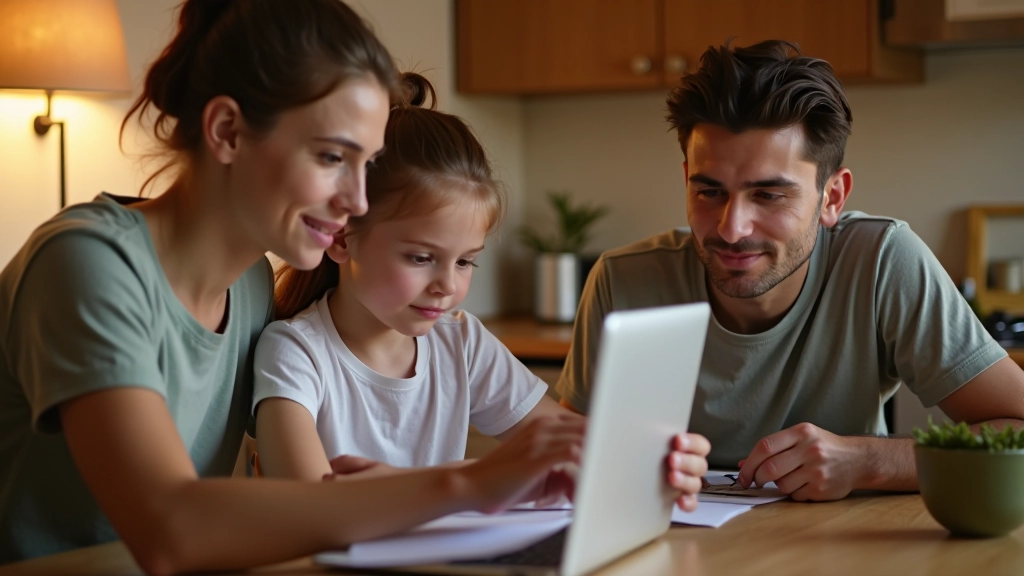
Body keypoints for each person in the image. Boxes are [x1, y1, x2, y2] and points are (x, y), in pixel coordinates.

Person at [0, 1, 706, 572]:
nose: (358, 200)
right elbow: (169, 529)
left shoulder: (249, 279)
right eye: (333, 158)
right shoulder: (89, 264)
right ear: (226, 131)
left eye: (366, 165)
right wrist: (469, 483)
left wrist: (645, 456)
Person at [556, 40, 1024, 502]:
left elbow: (1018, 430)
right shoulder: (622, 281)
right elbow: (565, 466)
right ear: (686, 181)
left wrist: (868, 461)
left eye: (769, 195)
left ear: (832, 198)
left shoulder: (881, 261)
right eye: (710, 192)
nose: (733, 229)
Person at [253, 73, 581, 479]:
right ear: (341, 238)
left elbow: (575, 450)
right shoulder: (295, 352)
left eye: (465, 262)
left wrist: (664, 456)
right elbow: (307, 505)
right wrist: (463, 485)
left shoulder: (462, 343)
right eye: (421, 258)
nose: (447, 286)